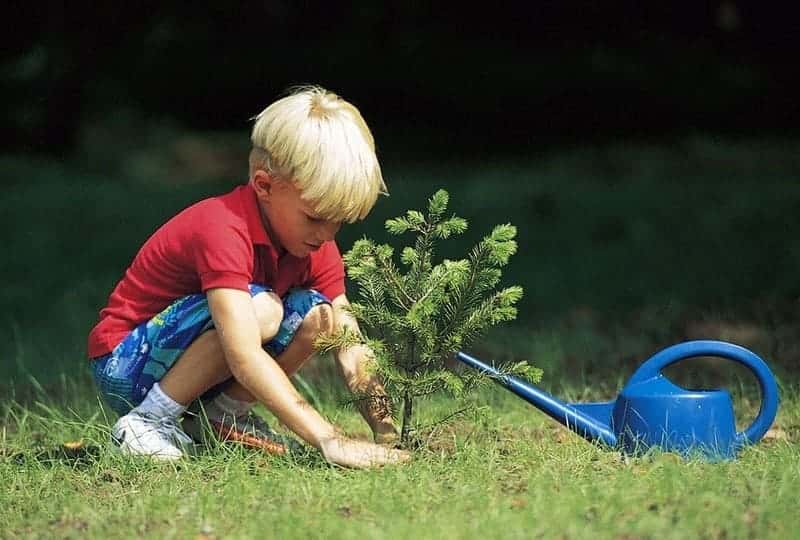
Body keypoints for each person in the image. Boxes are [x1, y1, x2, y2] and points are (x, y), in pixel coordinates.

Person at [87, 85, 410, 468]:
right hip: (126, 363)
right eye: (315, 217)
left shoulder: (315, 245)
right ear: (264, 185)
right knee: (263, 310)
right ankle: (146, 422)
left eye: (338, 220)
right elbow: (241, 353)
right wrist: (330, 440)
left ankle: (222, 418)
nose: (327, 234)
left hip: (188, 364)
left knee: (323, 316)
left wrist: (386, 434)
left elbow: (350, 343)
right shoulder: (223, 227)